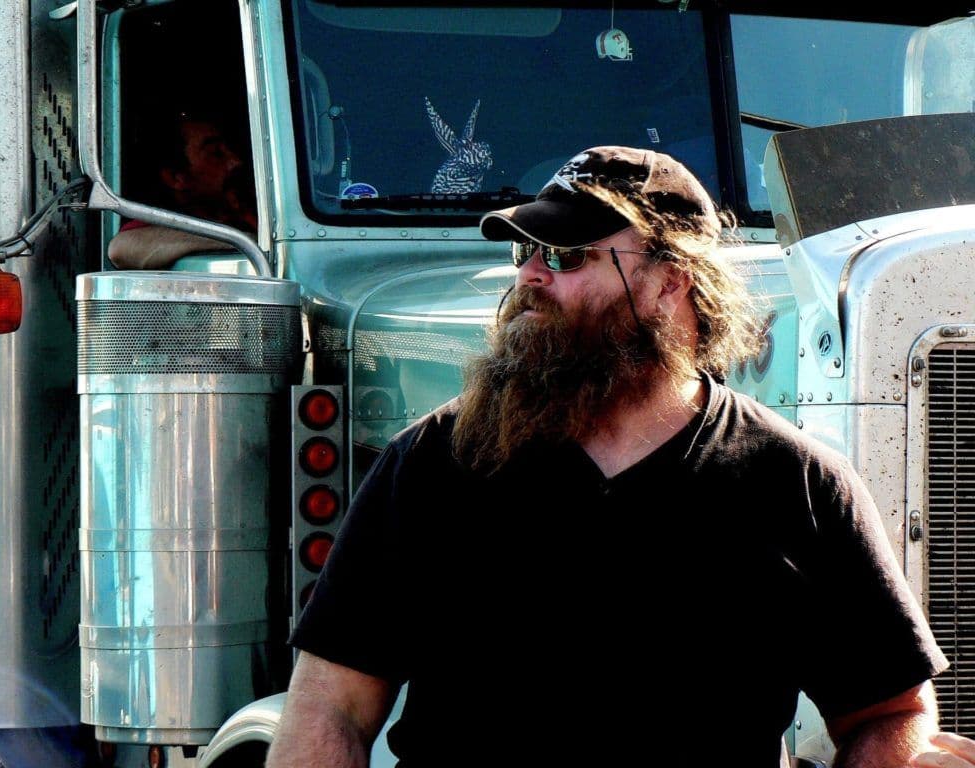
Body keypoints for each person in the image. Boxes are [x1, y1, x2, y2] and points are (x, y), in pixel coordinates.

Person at [266, 146, 952, 767]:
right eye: (525, 253)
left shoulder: (793, 482)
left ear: (670, 281)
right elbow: (331, 705)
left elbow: (889, 715)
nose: (531, 277)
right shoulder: (434, 463)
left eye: (566, 256)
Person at [107, 109, 257, 270]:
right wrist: (242, 240)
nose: (235, 161)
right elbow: (121, 248)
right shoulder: (170, 222)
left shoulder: (250, 205)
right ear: (176, 177)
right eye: (216, 153)